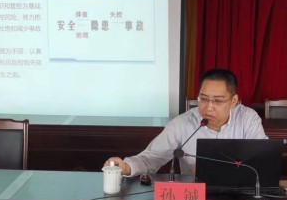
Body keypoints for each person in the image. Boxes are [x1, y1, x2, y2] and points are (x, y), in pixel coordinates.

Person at [104, 68, 267, 178]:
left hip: (239, 194)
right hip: (195, 196)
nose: (209, 107)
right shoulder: (182, 123)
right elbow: (151, 158)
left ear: (234, 101)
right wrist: (126, 167)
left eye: (217, 100)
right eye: (203, 99)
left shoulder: (248, 119)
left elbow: (262, 158)